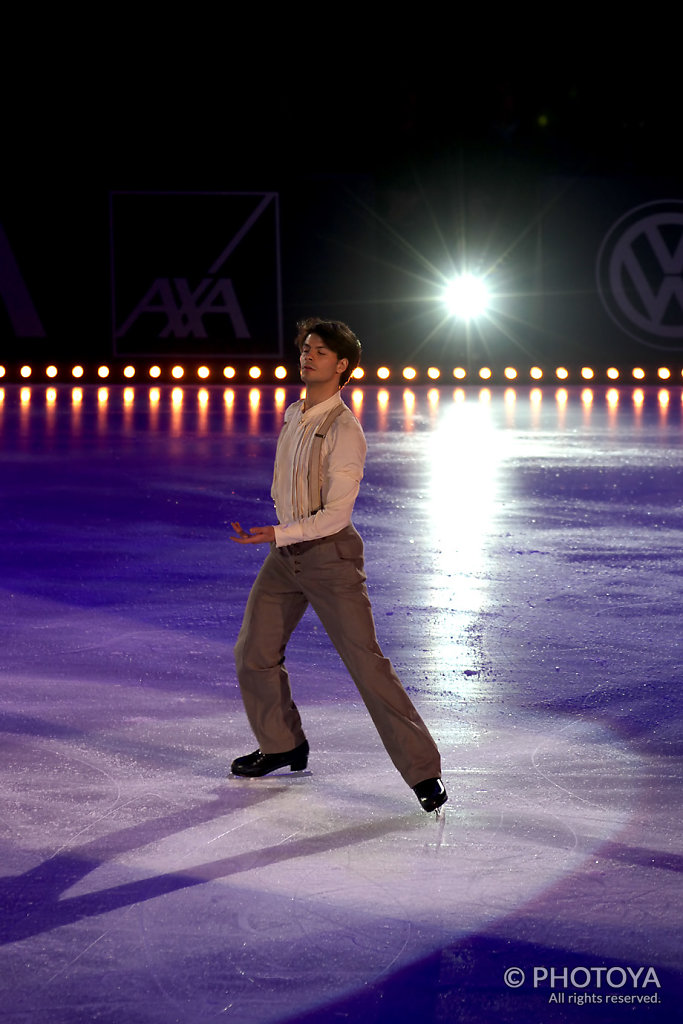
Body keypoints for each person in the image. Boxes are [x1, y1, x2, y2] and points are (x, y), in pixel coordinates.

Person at [229, 318, 447, 813]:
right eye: (306, 348)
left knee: (367, 666)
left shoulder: (344, 431)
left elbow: (335, 515)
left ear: (342, 365)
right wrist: (279, 533)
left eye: (321, 352)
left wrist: (278, 532)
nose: (308, 356)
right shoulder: (294, 414)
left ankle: (423, 771)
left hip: (329, 558)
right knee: (253, 653)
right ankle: (282, 744)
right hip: (286, 556)